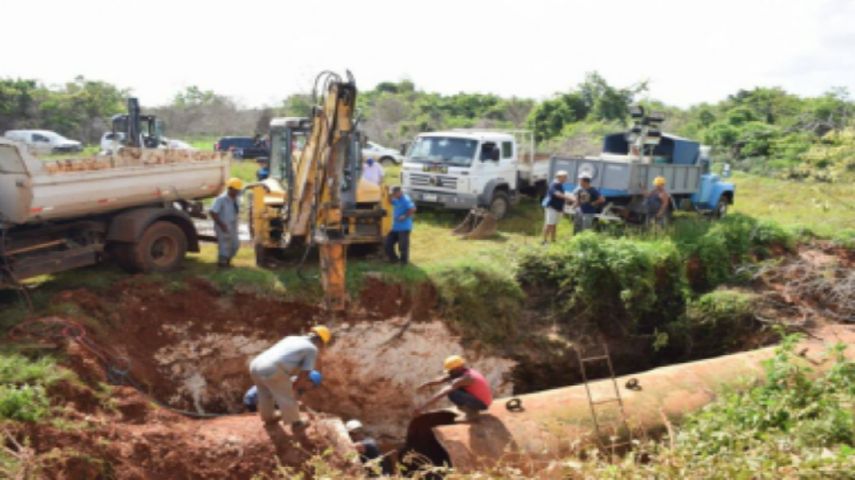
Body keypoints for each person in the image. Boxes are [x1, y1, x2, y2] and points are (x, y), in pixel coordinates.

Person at [248, 325, 331, 432]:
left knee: (264, 393)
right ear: (319, 341)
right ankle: (296, 423)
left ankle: (268, 418)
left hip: (255, 364)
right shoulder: (312, 349)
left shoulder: (291, 338)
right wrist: (295, 385)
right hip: (271, 367)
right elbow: (306, 372)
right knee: (287, 395)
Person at [413, 355, 493, 421]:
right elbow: (443, 379)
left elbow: (442, 393)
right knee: (453, 386)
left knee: (452, 392)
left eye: (451, 371)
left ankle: (472, 414)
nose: (449, 373)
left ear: (458, 368)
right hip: (482, 401)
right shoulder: (465, 371)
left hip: (482, 404)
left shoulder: (465, 378)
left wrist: (422, 407)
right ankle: (471, 410)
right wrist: (427, 384)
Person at [244, 371, 322, 412]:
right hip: (252, 399)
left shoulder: (300, 387)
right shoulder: (292, 382)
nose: (312, 388)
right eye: (313, 386)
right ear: (308, 381)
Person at [210, 177, 243, 267]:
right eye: (236, 190)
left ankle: (227, 260)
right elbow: (213, 212)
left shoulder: (236, 198)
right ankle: (222, 264)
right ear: (230, 189)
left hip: (232, 224)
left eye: (238, 190)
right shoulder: (221, 199)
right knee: (224, 244)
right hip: (222, 224)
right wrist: (221, 225)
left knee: (235, 245)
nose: (238, 192)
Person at [385, 186, 415, 265]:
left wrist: (404, 216)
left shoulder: (406, 199)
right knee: (387, 243)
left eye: (394, 194)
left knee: (403, 246)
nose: (393, 195)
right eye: (393, 194)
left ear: (399, 192)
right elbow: (390, 201)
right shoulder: (396, 199)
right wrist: (389, 194)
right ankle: (394, 260)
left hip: (404, 228)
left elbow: (413, 209)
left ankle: (403, 263)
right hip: (395, 228)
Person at [542, 170, 569, 243]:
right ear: (559, 177)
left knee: (554, 224)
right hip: (552, 207)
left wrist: (562, 208)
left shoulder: (560, 185)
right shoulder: (554, 184)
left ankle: (553, 240)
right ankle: (544, 241)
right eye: (565, 177)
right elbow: (557, 194)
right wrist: (569, 198)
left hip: (557, 208)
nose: (566, 178)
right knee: (549, 224)